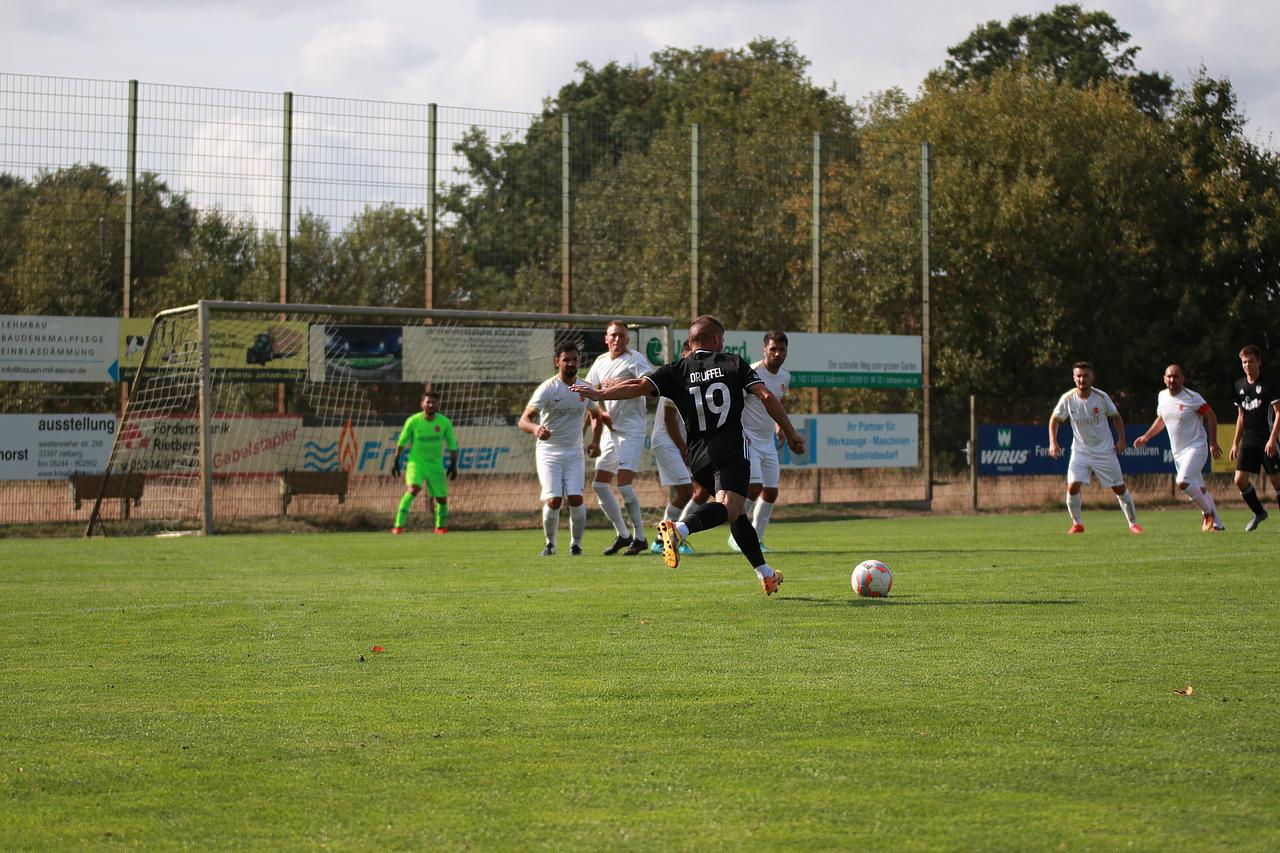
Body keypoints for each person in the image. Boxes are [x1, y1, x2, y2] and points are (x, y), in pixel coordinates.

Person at [574, 314, 806, 595]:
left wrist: (599, 395)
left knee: (735, 514)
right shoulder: (733, 363)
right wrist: (791, 433)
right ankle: (680, 530)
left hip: (697, 455)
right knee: (731, 508)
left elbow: (638, 386)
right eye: (722, 338)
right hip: (730, 448)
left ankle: (766, 574)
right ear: (716, 340)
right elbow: (766, 396)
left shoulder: (676, 370)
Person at [519, 340, 608, 556]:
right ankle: (550, 544)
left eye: (574, 359)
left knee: (576, 499)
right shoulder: (548, 389)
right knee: (554, 500)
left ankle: (575, 544)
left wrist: (595, 441)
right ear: (557, 362)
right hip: (549, 452)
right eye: (566, 359)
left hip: (574, 453)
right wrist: (536, 428)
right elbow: (524, 420)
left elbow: (596, 415)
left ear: (579, 361)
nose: (570, 363)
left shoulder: (585, 388)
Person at [1047, 362, 1142, 535]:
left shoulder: (1101, 397)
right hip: (1080, 452)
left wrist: (1121, 440)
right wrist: (1053, 442)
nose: (1082, 379)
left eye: (1085, 375)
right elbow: (1055, 418)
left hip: (1105, 451)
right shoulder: (1068, 398)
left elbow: (1116, 417)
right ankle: (1077, 524)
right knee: (1072, 487)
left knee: (1119, 488)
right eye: (1078, 376)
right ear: (1074, 378)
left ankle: (1133, 524)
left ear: (1092, 377)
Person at [584, 321, 653, 556]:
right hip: (610, 431)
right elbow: (587, 391)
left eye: (621, 336)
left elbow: (648, 384)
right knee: (599, 485)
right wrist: (599, 415)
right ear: (606, 338)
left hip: (632, 430)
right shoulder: (601, 362)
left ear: (627, 339)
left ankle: (640, 537)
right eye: (613, 335)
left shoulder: (635, 359)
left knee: (624, 485)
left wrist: (619, 383)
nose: (617, 339)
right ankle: (623, 535)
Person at [1134, 363, 1225, 531]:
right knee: (1200, 488)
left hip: (1196, 447)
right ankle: (1217, 525)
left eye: (1176, 376)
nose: (1172, 379)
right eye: (1169, 376)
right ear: (1164, 379)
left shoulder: (1193, 397)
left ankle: (1208, 513)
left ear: (1183, 379)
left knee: (1183, 481)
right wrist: (1147, 436)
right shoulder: (1162, 396)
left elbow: (1211, 416)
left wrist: (1213, 442)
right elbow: (1161, 419)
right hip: (1178, 453)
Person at [730, 330, 791, 552]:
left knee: (771, 491)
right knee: (753, 487)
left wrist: (779, 425)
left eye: (781, 349)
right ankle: (739, 534)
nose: (777, 353)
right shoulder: (752, 371)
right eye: (773, 349)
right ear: (765, 349)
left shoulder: (785, 377)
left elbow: (775, 404)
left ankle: (756, 538)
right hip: (748, 439)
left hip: (768, 441)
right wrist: (738, 431)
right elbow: (735, 403)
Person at [646, 344, 701, 557]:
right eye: (690, 354)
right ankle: (664, 539)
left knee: (695, 490)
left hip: (678, 442)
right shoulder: (677, 378)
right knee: (686, 491)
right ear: (683, 354)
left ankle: (666, 538)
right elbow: (670, 421)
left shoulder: (696, 380)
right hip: (666, 441)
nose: (693, 358)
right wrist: (683, 447)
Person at [391, 389, 459, 534]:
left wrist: (454, 464)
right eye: (428, 402)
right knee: (413, 489)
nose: (431, 405)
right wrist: (396, 459)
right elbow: (402, 441)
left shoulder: (444, 422)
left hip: (435, 465)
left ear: (438, 405)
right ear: (422, 404)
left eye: (434, 402)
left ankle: (440, 527)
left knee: (441, 499)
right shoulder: (413, 421)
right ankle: (398, 526)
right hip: (416, 463)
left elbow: (452, 443)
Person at [1229, 344, 1280, 531]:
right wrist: (1235, 443)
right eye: (1244, 362)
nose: (1247, 365)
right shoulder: (1239, 385)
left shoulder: (1270, 384)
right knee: (1239, 479)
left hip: (1267, 439)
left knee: (1276, 482)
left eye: (1250, 361)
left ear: (1259, 362)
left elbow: (1279, 413)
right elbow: (1241, 416)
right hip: (1249, 440)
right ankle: (1259, 512)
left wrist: (1273, 439)